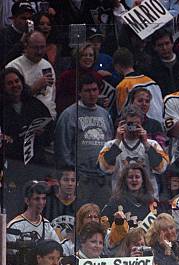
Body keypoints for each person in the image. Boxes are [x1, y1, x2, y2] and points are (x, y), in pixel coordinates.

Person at [0, 66, 54, 220]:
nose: (15, 85)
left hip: (35, 163)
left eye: (17, 81)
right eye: (9, 83)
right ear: (3, 87)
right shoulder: (3, 108)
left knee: (37, 204)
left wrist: (41, 133)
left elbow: (50, 129)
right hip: (12, 167)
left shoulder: (35, 104)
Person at [54, 74, 114, 207]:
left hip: (103, 178)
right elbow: (62, 149)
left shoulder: (105, 114)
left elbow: (110, 143)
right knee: (82, 214)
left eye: (94, 90)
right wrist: (72, 175)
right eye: (87, 90)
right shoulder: (69, 115)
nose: (92, 94)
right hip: (81, 178)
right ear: (79, 92)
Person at [98, 107, 168, 196]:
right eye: (130, 123)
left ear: (142, 123)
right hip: (120, 197)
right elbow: (105, 167)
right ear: (122, 123)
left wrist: (146, 143)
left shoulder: (153, 144)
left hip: (148, 197)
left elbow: (161, 168)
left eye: (137, 124)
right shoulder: (110, 145)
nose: (133, 127)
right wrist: (118, 140)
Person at [6, 30, 56, 118]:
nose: (40, 51)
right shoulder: (14, 67)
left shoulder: (47, 65)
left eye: (42, 47)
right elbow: (11, 98)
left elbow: (52, 94)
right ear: (26, 47)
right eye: (36, 48)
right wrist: (35, 87)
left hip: (48, 117)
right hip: (24, 118)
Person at [113, 46, 164, 123]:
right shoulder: (153, 82)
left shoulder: (123, 86)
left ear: (117, 66)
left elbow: (122, 114)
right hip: (159, 126)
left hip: (140, 128)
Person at [56, 42, 104, 114]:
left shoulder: (97, 77)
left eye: (91, 55)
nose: (88, 58)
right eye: (84, 55)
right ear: (78, 57)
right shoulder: (66, 76)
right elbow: (59, 100)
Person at [7, 180, 60, 246]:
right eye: (37, 199)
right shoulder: (15, 226)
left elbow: (57, 248)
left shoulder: (46, 224)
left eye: (43, 198)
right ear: (27, 201)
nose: (41, 203)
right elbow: (12, 254)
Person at [146, 28, 179, 97]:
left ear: (172, 43)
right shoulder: (150, 69)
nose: (164, 48)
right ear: (155, 47)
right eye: (160, 45)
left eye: (167, 43)